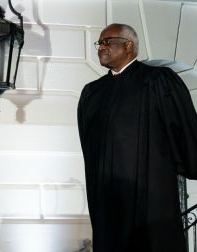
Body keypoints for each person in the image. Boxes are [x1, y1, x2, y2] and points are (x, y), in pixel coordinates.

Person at [77, 23, 197, 252]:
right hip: (107, 197)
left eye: (107, 41)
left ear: (128, 46)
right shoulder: (92, 92)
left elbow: (182, 126)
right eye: (99, 43)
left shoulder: (158, 80)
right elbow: (88, 146)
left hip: (150, 194)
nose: (101, 47)